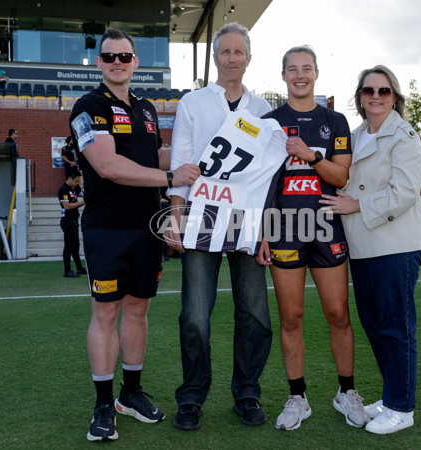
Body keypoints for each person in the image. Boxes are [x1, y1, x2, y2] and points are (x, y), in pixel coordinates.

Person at [68, 27, 200, 442]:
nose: (118, 63)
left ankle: (130, 393)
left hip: (147, 228)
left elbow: (157, 154)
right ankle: (104, 404)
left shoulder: (145, 108)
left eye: (125, 57)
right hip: (107, 229)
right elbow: (107, 165)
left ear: (136, 62)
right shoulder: (87, 107)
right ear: (99, 62)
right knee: (106, 312)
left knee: (138, 311)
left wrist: (201, 153)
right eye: (110, 57)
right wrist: (169, 174)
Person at [164, 22, 273, 431]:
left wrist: (266, 232)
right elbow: (181, 161)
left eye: (238, 52)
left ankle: (247, 393)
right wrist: (176, 216)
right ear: (215, 58)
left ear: (248, 57)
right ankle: (192, 397)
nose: (231, 58)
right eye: (224, 52)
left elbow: (266, 179)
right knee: (194, 314)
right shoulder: (193, 103)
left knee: (255, 313)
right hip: (202, 216)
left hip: (245, 219)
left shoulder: (263, 110)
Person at [255, 46, 369, 431]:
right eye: (292, 69)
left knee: (338, 314)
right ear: (284, 75)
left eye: (306, 68)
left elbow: (341, 179)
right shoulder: (269, 122)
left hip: (326, 227)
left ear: (316, 73)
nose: (299, 75)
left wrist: (309, 155)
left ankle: (346, 392)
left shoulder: (334, 121)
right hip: (285, 227)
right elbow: (262, 184)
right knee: (291, 317)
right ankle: (297, 396)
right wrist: (262, 232)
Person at [320, 65, 421, 434]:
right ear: (360, 98)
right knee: (377, 327)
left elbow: (404, 192)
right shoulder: (356, 134)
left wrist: (357, 206)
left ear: (395, 97)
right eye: (369, 91)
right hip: (364, 246)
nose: (376, 97)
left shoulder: (405, 136)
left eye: (384, 91)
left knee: (396, 328)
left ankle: (402, 407)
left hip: (394, 246)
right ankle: (392, 394)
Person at [57, 168, 86, 278]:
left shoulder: (71, 189)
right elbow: (67, 206)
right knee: (69, 246)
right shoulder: (63, 189)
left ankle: (79, 268)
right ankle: (67, 271)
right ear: (70, 178)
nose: (77, 183)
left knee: (76, 246)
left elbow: (76, 202)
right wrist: (84, 202)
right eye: (76, 181)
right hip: (68, 220)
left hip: (73, 219)